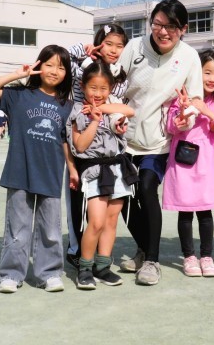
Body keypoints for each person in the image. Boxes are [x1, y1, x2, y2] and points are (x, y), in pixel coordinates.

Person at [117, 0, 203, 286]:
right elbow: (115, 84)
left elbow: (194, 99)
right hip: (123, 138)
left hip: (159, 141)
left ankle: (152, 261)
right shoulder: (134, 47)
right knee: (124, 197)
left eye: (171, 27)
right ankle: (143, 249)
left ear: (183, 29)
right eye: (157, 24)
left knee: (146, 188)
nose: (163, 32)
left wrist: (186, 117)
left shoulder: (189, 57)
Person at [0, 44, 74, 293]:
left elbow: (66, 142)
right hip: (19, 171)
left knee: (50, 229)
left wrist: (72, 170)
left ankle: (49, 273)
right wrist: (18, 75)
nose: (54, 71)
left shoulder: (67, 105)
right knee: (17, 227)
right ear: (38, 66)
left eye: (61, 67)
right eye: (49, 65)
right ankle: (11, 274)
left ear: (67, 73)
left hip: (51, 174)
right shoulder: (19, 95)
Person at [163, 50, 214, 278]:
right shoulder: (182, 94)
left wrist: (206, 111)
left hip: (206, 160)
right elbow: (171, 126)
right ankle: (189, 257)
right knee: (185, 211)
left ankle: (206, 256)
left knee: (205, 212)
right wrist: (182, 114)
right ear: (196, 71)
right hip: (182, 159)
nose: (212, 79)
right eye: (207, 72)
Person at [65, 23, 129, 270]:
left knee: (107, 218)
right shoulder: (81, 71)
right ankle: (77, 252)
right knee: (82, 210)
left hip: (108, 147)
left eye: (119, 46)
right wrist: (85, 51)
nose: (113, 50)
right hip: (83, 146)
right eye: (108, 44)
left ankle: (100, 263)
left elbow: (120, 104)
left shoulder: (119, 77)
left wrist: (109, 116)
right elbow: (66, 57)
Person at [68, 61, 136, 290]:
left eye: (103, 88)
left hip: (117, 169)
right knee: (96, 222)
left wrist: (106, 112)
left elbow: (130, 111)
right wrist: (95, 121)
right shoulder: (78, 111)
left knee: (111, 221)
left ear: (111, 88)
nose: (97, 94)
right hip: (94, 170)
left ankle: (103, 266)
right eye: (93, 88)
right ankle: (85, 268)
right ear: (82, 86)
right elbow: (80, 145)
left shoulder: (112, 107)